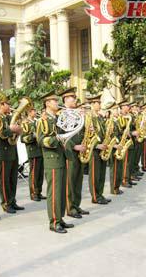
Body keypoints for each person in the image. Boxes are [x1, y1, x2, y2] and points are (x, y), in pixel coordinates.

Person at [36, 91, 73, 234]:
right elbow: (41, 140)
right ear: (47, 103)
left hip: (61, 157)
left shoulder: (57, 118)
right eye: (55, 101)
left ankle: (60, 218)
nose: (57, 103)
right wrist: (55, 139)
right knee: (54, 192)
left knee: (62, 191)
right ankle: (54, 222)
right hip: (52, 159)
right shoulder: (43, 120)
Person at [59, 87, 89, 218]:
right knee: (70, 182)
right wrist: (74, 146)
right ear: (65, 99)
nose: (75, 99)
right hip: (69, 152)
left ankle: (76, 205)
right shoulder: (62, 114)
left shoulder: (77, 113)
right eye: (72, 97)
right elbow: (60, 135)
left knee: (78, 180)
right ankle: (70, 208)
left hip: (80, 151)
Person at [0, 96, 24, 214]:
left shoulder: (8, 117)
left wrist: (18, 130)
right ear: (1, 105)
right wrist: (11, 129)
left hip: (12, 150)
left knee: (13, 179)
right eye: (7, 104)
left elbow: (14, 131)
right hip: (4, 152)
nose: (9, 105)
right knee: (4, 180)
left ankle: (12, 201)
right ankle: (6, 203)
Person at [87, 94, 111, 205]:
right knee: (94, 175)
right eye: (98, 103)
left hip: (103, 147)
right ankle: (95, 196)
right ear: (92, 104)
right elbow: (87, 135)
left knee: (101, 173)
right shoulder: (89, 117)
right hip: (94, 149)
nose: (100, 105)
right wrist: (96, 145)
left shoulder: (100, 117)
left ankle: (100, 194)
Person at [21, 106, 45, 201]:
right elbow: (23, 138)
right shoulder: (26, 123)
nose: (35, 112)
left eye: (35, 110)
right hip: (33, 150)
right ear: (29, 112)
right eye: (33, 110)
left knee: (40, 173)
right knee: (34, 173)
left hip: (40, 149)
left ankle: (39, 192)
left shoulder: (36, 122)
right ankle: (33, 193)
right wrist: (33, 136)